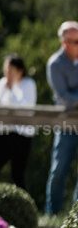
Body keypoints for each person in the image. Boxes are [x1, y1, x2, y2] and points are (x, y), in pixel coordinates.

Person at [0, 54, 36, 190]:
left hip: (22, 136)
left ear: (20, 70)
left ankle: (22, 209)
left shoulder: (28, 84)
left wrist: (11, 90)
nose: (8, 74)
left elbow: (25, 109)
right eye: (6, 70)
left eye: (11, 71)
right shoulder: (1, 83)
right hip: (3, 135)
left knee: (18, 176)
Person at [45, 20, 78, 215]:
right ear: (63, 42)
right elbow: (63, 98)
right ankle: (52, 215)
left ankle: (75, 216)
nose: (77, 45)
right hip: (66, 124)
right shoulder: (55, 64)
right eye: (75, 41)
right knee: (58, 170)